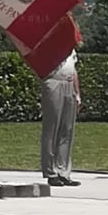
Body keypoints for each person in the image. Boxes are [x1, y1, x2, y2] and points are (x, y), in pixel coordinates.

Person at [39, 43, 81, 188]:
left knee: (67, 129)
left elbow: (74, 71)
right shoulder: (48, 46)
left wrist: (77, 93)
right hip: (54, 81)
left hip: (68, 83)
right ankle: (51, 172)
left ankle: (63, 171)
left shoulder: (71, 50)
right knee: (52, 129)